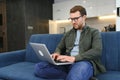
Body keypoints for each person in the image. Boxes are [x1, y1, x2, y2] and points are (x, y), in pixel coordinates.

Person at [34, 5, 106, 80]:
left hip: (83, 62)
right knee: (39, 68)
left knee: (77, 74)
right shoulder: (68, 34)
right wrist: (57, 53)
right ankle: (78, 76)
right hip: (66, 63)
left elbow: (97, 51)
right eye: (71, 19)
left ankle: (77, 75)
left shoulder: (94, 32)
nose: (73, 22)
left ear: (84, 17)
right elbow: (59, 47)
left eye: (76, 19)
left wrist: (74, 58)